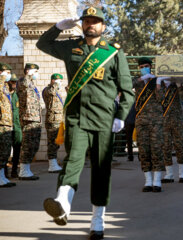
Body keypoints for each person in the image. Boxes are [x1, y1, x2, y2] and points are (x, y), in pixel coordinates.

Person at [36, 7, 134, 240]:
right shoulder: (71, 47)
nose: (91, 24)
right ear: (82, 24)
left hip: (104, 120)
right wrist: (58, 28)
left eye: (95, 21)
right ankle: (63, 204)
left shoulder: (113, 52)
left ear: (103, 26)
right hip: (77, 116)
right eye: (87, 20)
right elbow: (42, 44)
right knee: (72, 161)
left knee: (102, 170)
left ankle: (97, 219)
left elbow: (127, 91)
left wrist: (120, 116)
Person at [133, 57, 165, 192]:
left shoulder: (156, 80)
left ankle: (157, 181)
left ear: (151, 67)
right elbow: (126, 84)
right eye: (141, 67)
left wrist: (157, 84)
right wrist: (141, 79)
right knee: (144, 151)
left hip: (156, 121)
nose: (144, 68)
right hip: (141, 121)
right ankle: (148, 181)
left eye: (146, 66)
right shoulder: (137, 81)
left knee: (157, 150)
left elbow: (162, 98)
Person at [17, 63, 42, 180]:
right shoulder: (22, 81)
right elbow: (24, 84)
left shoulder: (32, 85)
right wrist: (28, 75)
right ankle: (23, 171)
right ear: (28, 71)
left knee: (34, 145)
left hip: (36, 118)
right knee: (27, 145)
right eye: (35, 71)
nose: (37, 73)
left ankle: (27, 169)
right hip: (28, 118)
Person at [161, 79, 183, 183]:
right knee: (165, 147)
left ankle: (182, 174)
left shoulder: (175, 84)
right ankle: (169, 174)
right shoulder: (158, 85)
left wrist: (179, 85)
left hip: (176, 119)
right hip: (163, 121)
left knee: (179, 146)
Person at [42, 73, 64, 173]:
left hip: (58, 120)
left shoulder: (56, 92)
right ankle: (52, 164)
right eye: (58, 81)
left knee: (56, 143)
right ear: (53, 81)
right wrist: (55, 84)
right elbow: (51, 92)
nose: (60, 83)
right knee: (52, 143)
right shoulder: (47, 90)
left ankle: (54, 163)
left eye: (61, 81)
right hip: (52, 120)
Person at [0, 62, 16, 187]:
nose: (9, 76)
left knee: (5, 152)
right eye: (8, 73)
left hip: (7, 122)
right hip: (1, 123)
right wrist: (1, 77)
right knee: (1, 151)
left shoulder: (5, 86)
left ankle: (2, 177)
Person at [6, 73, 22, 178]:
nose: (14, 84)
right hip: (6, 126)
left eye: (15, 82)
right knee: (5, 150)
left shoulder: (17, 94)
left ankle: (14, 170)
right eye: (12, 82)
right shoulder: (3, 94)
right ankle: (4, 173)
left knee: (17, 149)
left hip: (17, 125)